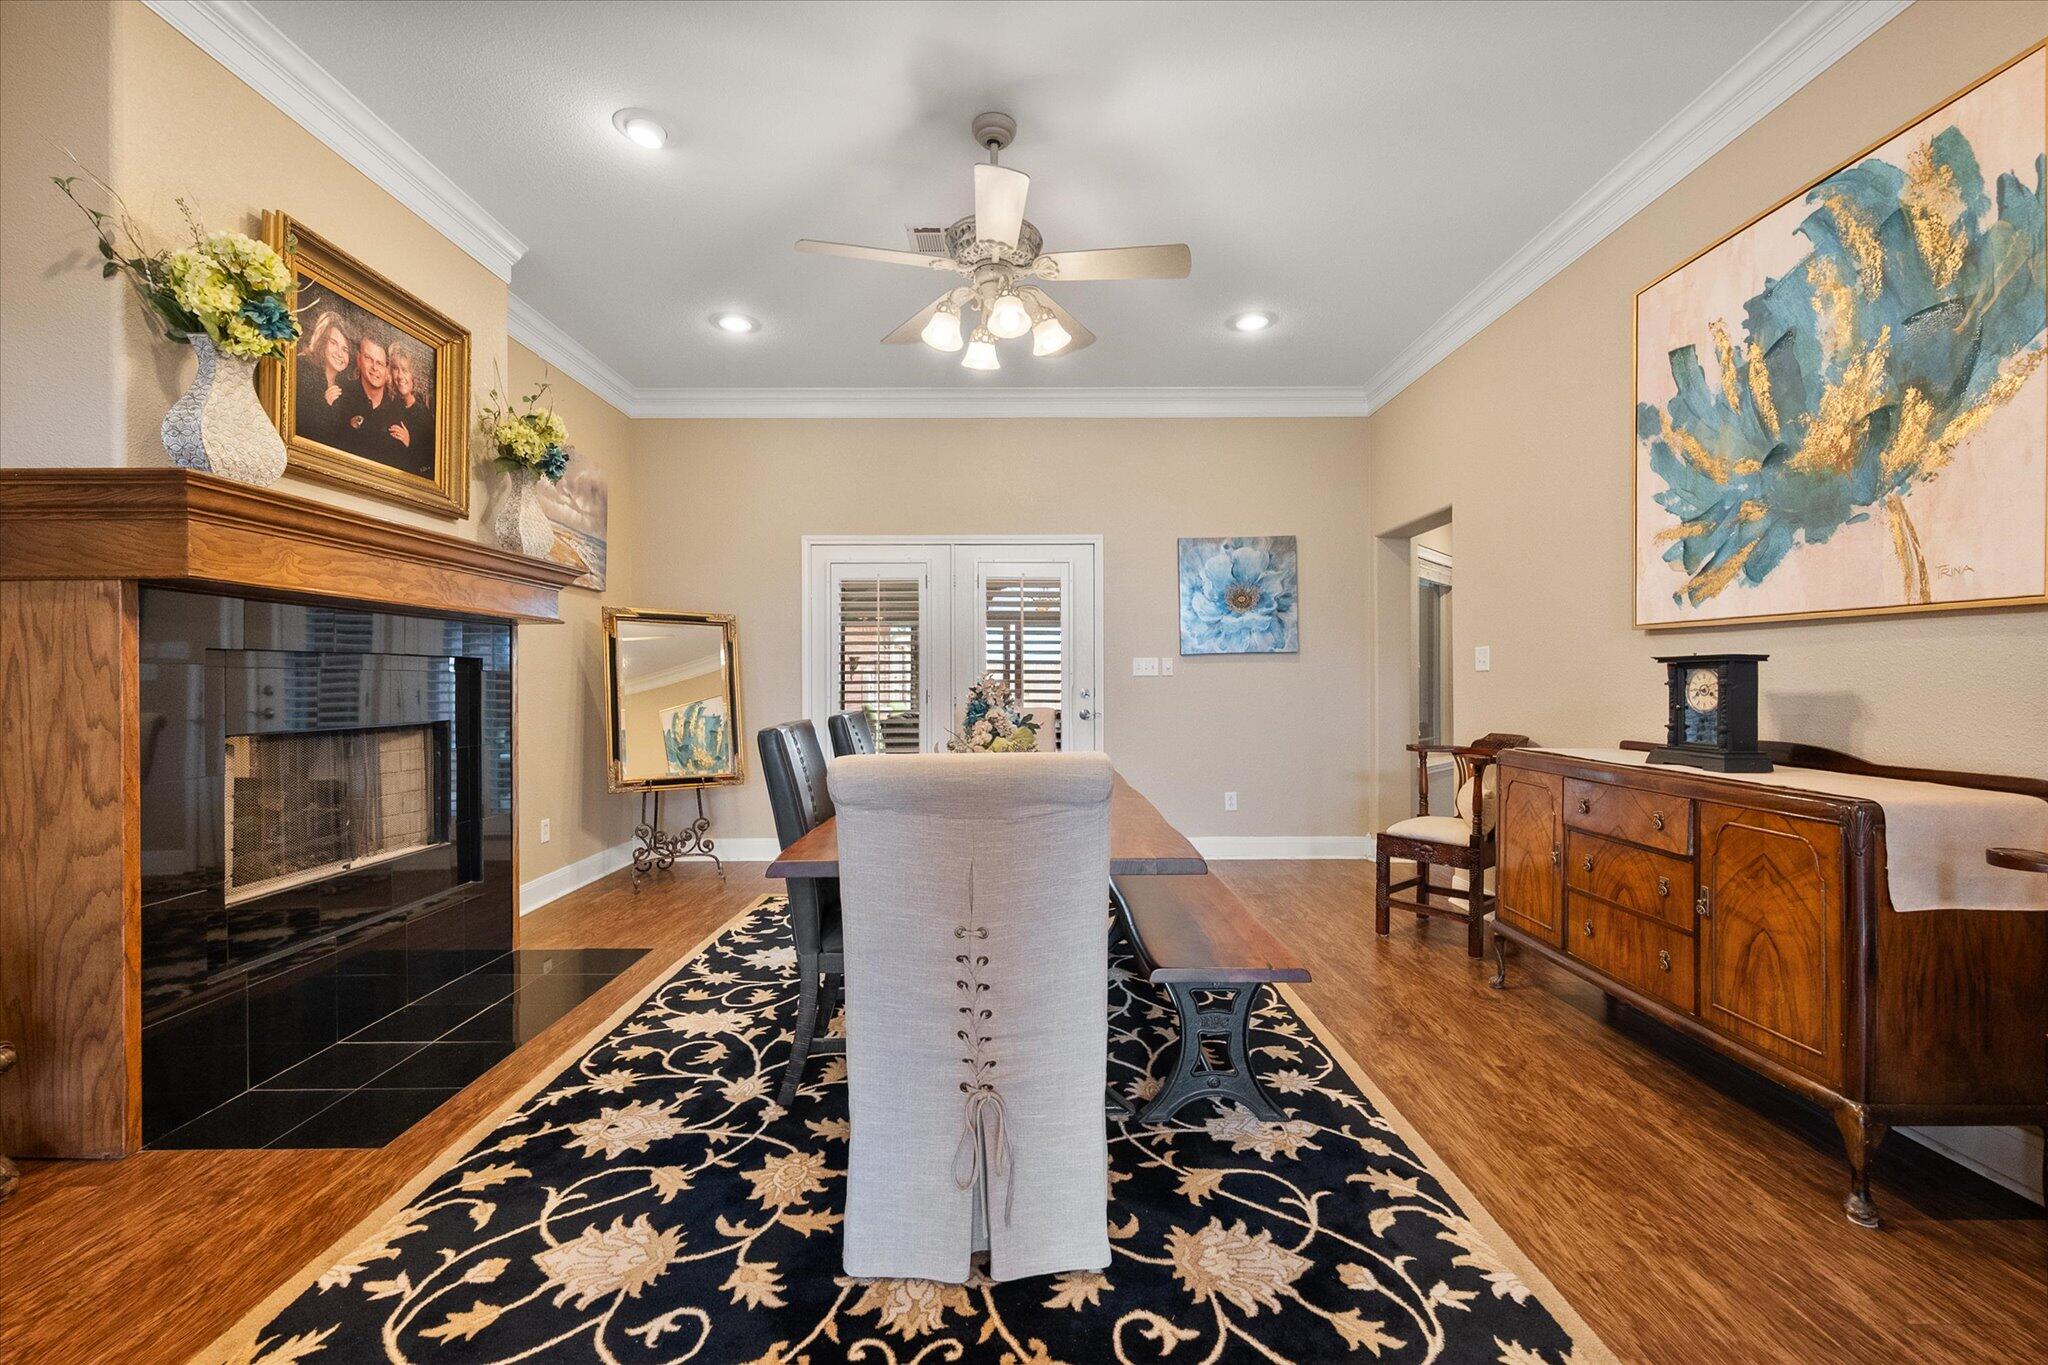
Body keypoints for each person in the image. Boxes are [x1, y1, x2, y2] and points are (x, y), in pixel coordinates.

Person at [333, 333, 428, 475]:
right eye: (368, 359)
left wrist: (409, 444)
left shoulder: (400, 411)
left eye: (380, 363)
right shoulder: (341, 395)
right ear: (359, 360)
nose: (374, 368)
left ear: (387, 370)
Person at [296, 309, 353, 449]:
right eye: (333, 343)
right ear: (321, 341)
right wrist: (325, 405)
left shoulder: (347, 388)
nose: (340, 353)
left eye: (345, 349)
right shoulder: (302, 368)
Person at [387, 339, 435, 468]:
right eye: (396, 369)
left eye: (405, 370)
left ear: (414, 375)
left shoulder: (422, 415)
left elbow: (430, 461)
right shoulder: (392, 405)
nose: (400, 376)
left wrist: (408, 441)